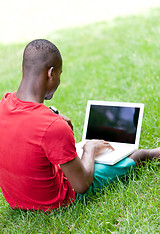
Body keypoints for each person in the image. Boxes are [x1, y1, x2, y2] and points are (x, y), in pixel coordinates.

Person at [0, 39, 159, 212]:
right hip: (54, 201)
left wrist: (52, 116)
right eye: (60, 74)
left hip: (17, 199)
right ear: (51, 73)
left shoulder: (4, 104)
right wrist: (90, 149)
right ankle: (151, 154)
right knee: (138, 155)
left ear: (24, 69)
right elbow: (81, 185)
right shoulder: (52, 126)